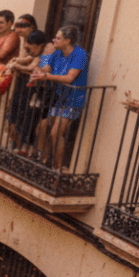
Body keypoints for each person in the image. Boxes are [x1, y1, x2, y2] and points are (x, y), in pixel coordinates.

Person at [32, 25, 90, 170]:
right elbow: (46, 68)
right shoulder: (57, 53)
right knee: (43, 126)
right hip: (59, 98)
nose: (54, 40)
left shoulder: (80, 55)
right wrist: (38, 72)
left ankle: (57, 169)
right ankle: (43, 160)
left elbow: (70, 78)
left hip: (73, 100)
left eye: (58, 38)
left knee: (56, 133)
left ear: (68, 40)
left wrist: (46, 76)